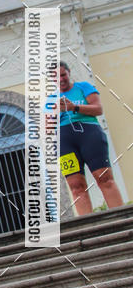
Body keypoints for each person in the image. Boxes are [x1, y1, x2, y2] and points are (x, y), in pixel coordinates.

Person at [56, 60, 123, 215]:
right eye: (56, 77)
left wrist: (74, 107)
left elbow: (98, 109)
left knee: (104, 178)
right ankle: (87, 227)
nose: (61, 79)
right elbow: (47, 125)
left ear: (68, 73)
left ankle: (121, 217)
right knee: (76, 186)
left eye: (63, 75)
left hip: (89, 133)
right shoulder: (50, 98)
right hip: (64, 140)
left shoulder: (83, 87)